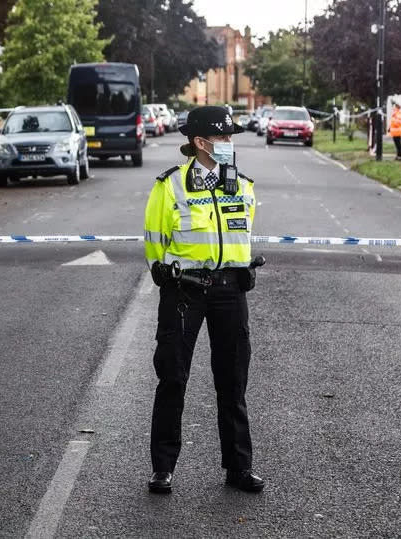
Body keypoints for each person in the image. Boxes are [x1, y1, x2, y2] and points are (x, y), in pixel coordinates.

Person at [143, 106, 264, 494]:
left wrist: (242, 265)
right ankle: (163, 468)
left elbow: (243, 235)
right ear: (200, 142)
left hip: (230, 292)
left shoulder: (242, 185)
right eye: (224, 138)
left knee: (233, 381)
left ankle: (239, 468)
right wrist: (161, 270)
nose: (229, 144)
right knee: (173, 378)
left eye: (230, 138)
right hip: (184, 292)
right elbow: (155, 239)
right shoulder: (170, 185)